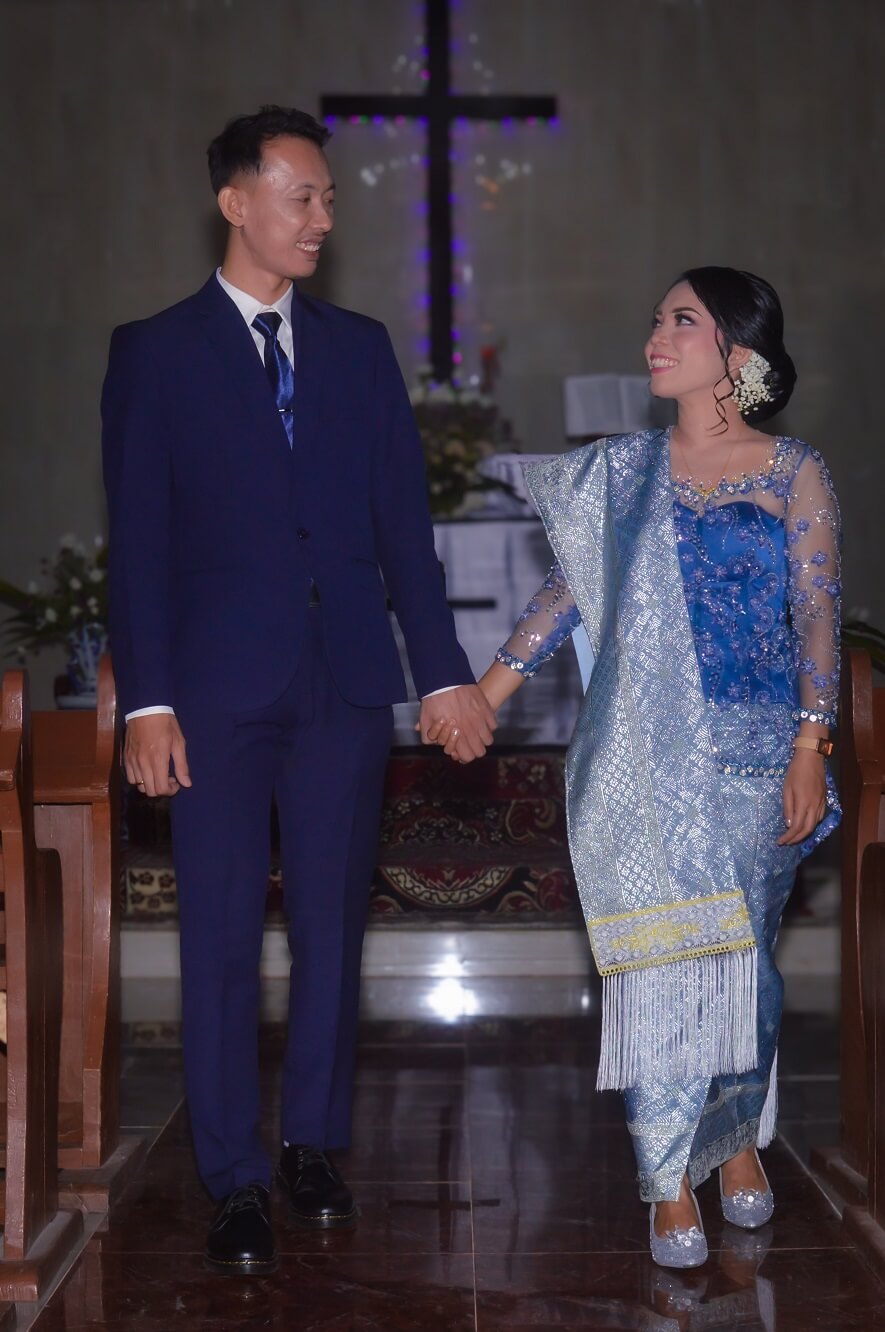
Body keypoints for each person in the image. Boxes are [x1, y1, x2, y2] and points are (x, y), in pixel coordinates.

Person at [101, 104, 496, 1277]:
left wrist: (444, 673)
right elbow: (139, 545)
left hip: (345, 685)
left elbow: (404, 534)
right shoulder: (155, 351)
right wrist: (147, 702)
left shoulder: (360, 349)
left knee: (331, 927)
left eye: (327, 199)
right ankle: (232, 1176)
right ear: (236, 202)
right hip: (212, 694)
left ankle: (312, 1145)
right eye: (302, 196)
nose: (323, 217)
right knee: (221, 935)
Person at [430, 266, 841, 1268]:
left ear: (738, 354)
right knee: (660, 967)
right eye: (656, 319)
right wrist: (486, 693)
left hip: (757, 758)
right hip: (644, 759)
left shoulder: (792, 470)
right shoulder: (620, 473)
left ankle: (734, 1136)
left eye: (682, 322)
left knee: (743, 969)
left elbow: (817, 616)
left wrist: (810, 745)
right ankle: (666, 1180)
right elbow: (562, 597)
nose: (656, 336)